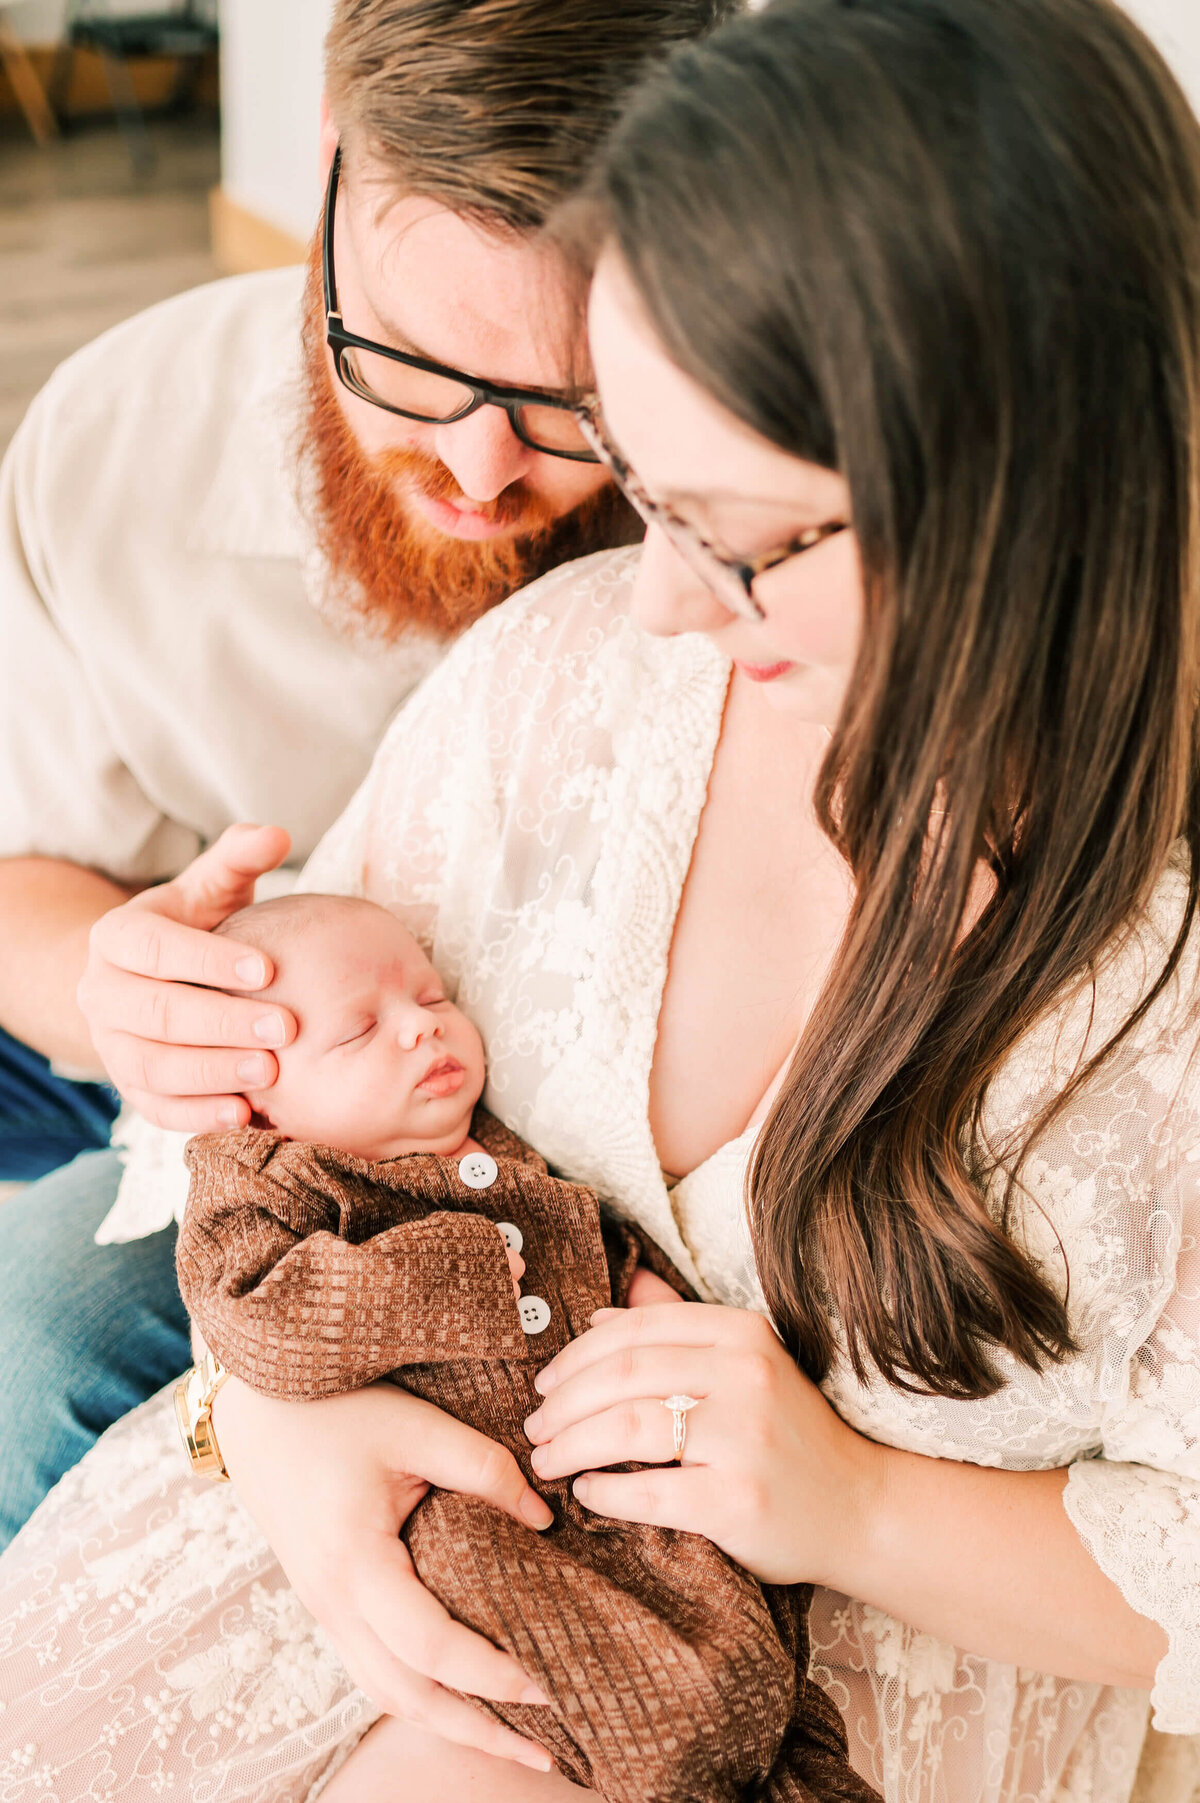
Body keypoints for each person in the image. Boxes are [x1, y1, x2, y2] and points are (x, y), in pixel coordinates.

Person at [2, 0, 1198, 1799]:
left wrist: (851, 1498)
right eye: (642, 494)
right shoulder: (557, 666)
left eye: (726, 527)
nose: (647, 602)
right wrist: (278, 1406)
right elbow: (226, 1120)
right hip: (282, 1567)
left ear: (1013, 491)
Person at [0, 0, 735, 1550]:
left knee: (46, 1333)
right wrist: (124, 997)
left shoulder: (756, 486)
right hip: (214, 1073)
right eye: (404, 361)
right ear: (323, 165)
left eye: (570, 400)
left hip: (568, 1129)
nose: (481, 473)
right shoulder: (121, 444)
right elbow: (26, 869)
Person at [176, 891, 875, 1803]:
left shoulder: (501, 1146)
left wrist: (641, 1289)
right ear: (258, 1109)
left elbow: (588, 1227)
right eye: (358, 1034)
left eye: (432, 1000)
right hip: (472, 1507)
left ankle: (784, 1754)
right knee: (600, 1682)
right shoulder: (276, 1182)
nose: (420, 1032)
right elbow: (248, 1309)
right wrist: (442, 1276)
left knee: (739, 1635)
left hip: (619, 1476)